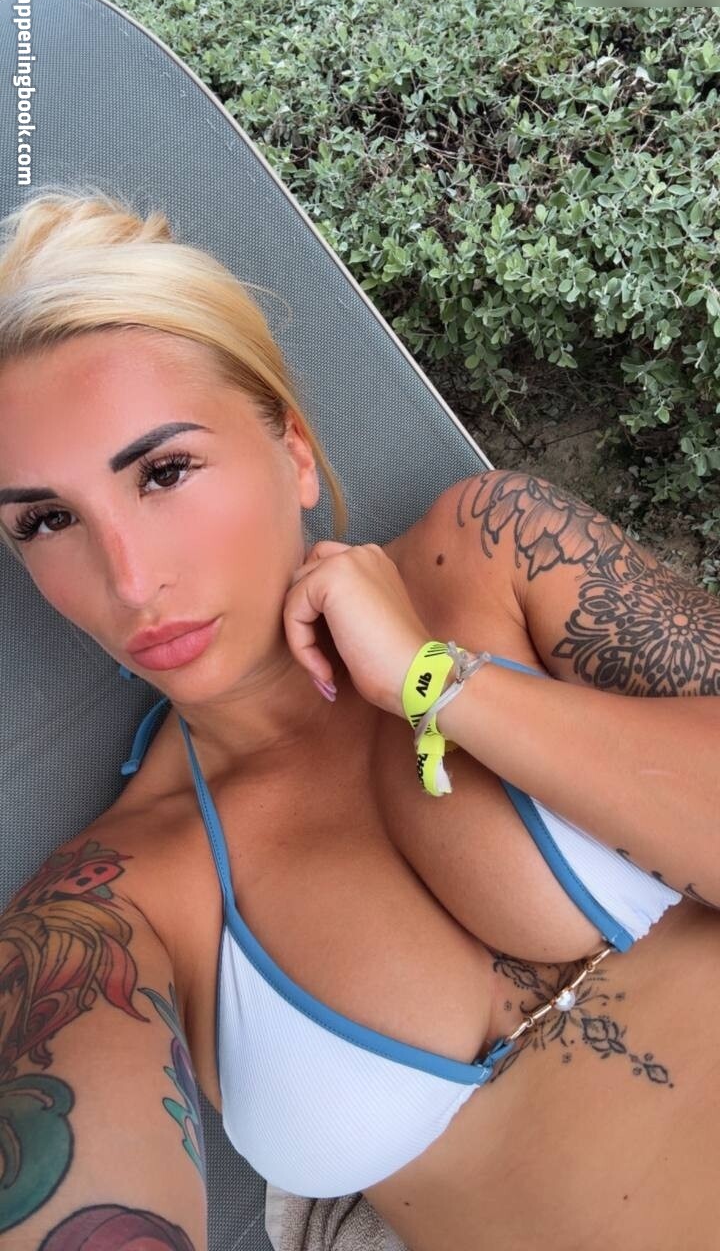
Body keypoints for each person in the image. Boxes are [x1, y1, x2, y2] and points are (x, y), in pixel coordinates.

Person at [0, 187, 717, 1251]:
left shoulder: (493, 555)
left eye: (165, 470)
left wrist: (442, 682)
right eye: (47, 519)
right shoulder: (118, 899)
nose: (131, 580)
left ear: (293, 451)